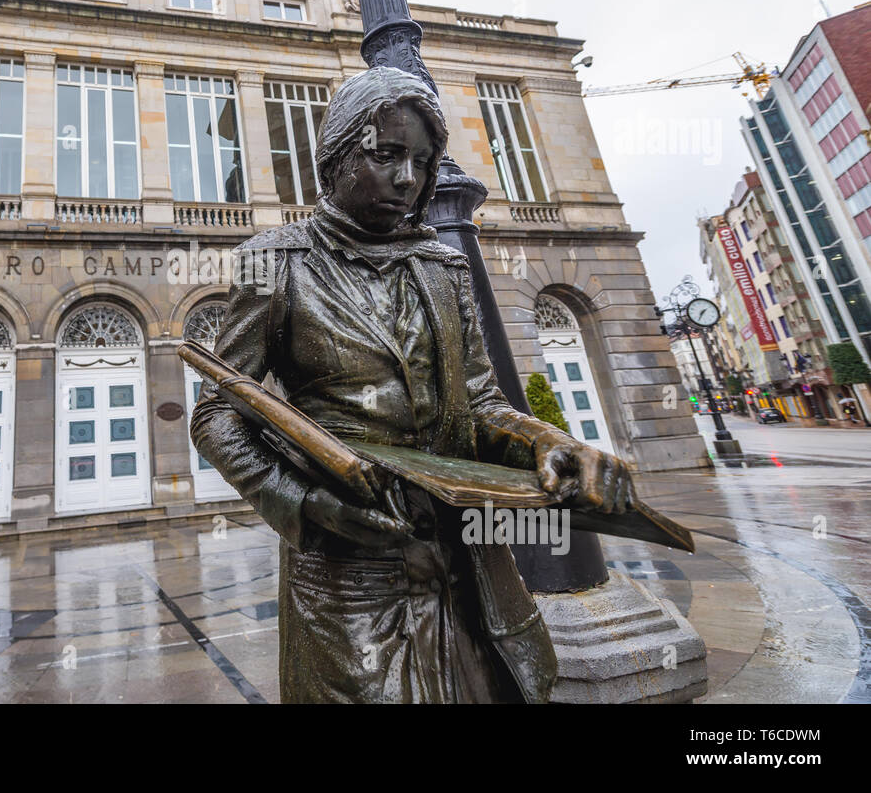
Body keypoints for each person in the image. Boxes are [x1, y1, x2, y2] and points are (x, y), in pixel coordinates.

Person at [191, 66, 635, 703]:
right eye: (387, 155)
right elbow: (218, 413)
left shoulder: (442, 266)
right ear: (338, 155)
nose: (408, 179)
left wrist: (544, 440)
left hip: (466, 561)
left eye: (423, 162)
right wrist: (306, 507)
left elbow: (478, 398)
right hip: (350, 571)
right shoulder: (273, 261)